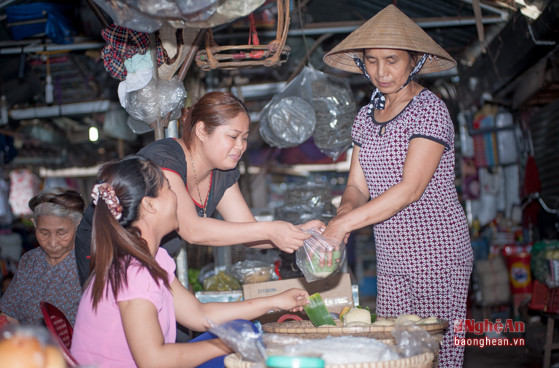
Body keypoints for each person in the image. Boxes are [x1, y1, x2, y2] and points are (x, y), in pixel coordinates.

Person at [322, 5, 473, 368]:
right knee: (396, 354)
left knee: (435, 354)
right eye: (371, 61)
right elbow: (357, 185)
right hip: (391, 258)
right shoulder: (364, 117)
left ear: (415, 61)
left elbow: (410, 189)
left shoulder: (428, 110)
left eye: (391, 60)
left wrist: (345, 225)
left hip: (437, 254)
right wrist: (342, 214)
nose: (380, 71)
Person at [71, 155, 309, 368]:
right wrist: (228, 345)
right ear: (149, 205)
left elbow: (198, 313)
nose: (177, 196)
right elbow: (154, 361)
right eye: (169, 188)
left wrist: (275, 301)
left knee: (242, 329)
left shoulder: (153, 259)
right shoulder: (134, 271)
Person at [75, 91, 322, 286]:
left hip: (153, 263)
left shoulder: (222, 171)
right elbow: (192, 230)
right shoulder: (164, 158)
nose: (241, 146)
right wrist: (271, 228)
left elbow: (248, 232)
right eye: (233, 136)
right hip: (110, 258)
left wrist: (301, 234)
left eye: (245, 138)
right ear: (202, 130)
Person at [0, 187, 85, 326]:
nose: (52, 242)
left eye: (61, 233)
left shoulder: (90, 263)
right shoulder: (30, 261)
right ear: (35, 224)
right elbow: (9, 314)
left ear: (78, 224)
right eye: (44, 233)